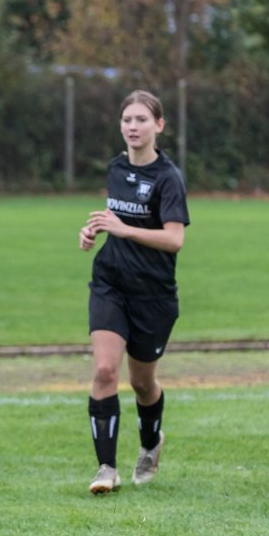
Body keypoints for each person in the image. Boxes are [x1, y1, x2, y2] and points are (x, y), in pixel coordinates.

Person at [78, 90, 190, 495]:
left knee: (143, 383)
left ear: (158, 125)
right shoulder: (115, 168)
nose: (133, 126)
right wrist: (91, 231)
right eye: (128, 119)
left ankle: (150, 444)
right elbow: (114, 221)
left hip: (154, 295)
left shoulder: (168, 178)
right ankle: (106, 468)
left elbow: (175, 239)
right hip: (110, 283)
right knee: (106, 370)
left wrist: (123, 229)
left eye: (142, 119)